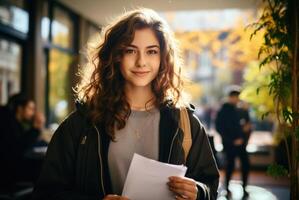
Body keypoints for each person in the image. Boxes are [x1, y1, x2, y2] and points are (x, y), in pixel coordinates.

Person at [33, 8, 219, 200]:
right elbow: (45, 193)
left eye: (152, 51)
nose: (141, 62)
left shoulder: (185, 123)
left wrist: (198, 192)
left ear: (163, 58)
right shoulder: (82, 122)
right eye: (130, 50)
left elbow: (210, 187)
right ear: (115, 55)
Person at [0, 93, 43, 193]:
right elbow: (17, 147)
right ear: (20, 108)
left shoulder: (15, 122)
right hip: (7, 172)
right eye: (30, 108)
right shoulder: (6, 122)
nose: (32, 113)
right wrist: (35, 129)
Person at [215, 87, 250, 198]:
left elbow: (248, 126)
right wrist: (232, 140)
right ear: (230, 97)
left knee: (246, 165)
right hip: (229, 144)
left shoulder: (241, 110)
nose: (236, 99)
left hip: (241, 144)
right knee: (230, 166)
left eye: (237, 97)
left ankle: (244, 188)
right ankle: (227, 188)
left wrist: (244, 138)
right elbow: (219, 128)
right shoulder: (223, 110)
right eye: (234, 97)